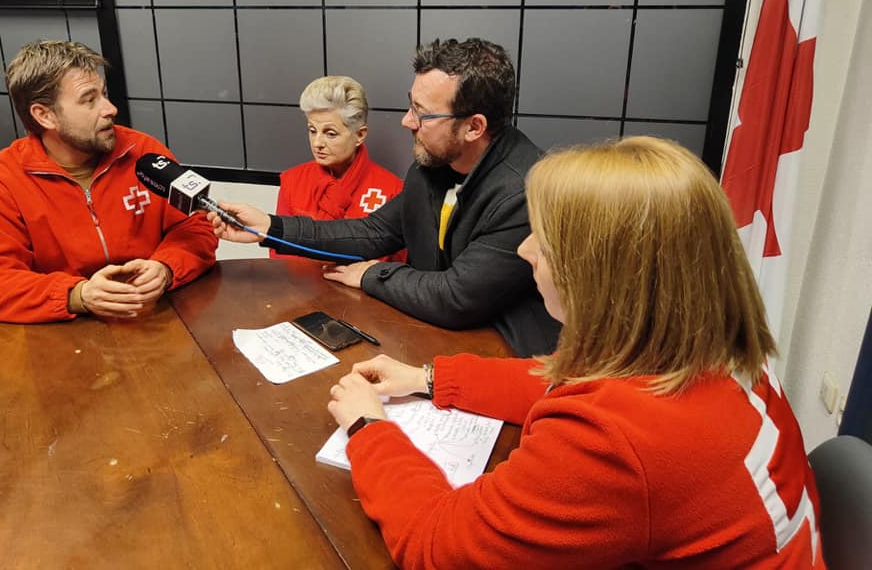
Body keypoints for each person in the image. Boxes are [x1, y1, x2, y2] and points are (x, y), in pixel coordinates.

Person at [326, 136, 825, 569]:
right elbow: (563, 380)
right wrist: (430, 378)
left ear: (602, 277)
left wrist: (369, 431)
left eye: (543, 241)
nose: (525, 252)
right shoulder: (712, 345)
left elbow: (439, 546)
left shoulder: (617, 443)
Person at [209, 38, 560, 357]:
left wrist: (373, 274)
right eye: (411, 106)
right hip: (434, 340)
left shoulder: (524, 192)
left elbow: (456, 298)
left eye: (422, 114)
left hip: (504, 358)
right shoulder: (434, 165)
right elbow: (374, 231)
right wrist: (271, 227)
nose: (407, 122)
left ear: (474, 127)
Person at [0, 40, 217, 324]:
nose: (110, 109)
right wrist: (77, 295)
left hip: (154, 318)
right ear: (45, 115)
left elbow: (197, 227)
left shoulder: (144, 153)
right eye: (89, 100)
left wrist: (166, 267)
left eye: (103, 94)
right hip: (60, 336)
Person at [273, 75, 404, 262]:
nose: (317, 143)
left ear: (360, 134)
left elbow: (396, 270)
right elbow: (279, 257)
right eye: (312, 130)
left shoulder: (392, 190)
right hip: (300, 289)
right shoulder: (292, 181)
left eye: (330, 133)